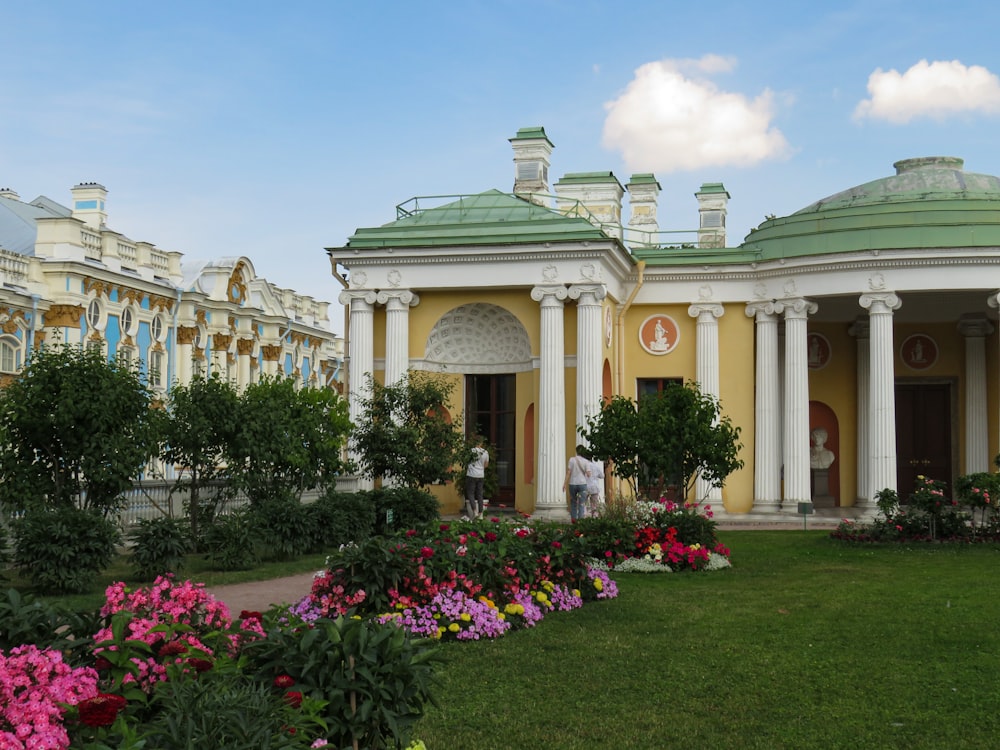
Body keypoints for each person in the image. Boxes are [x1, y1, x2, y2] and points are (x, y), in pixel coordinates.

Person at [562, 444, 590, 521]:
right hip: (582, 484)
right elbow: (588, 474)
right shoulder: (586, 462)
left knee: (573, 503)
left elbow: (568, 472)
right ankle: (580, 521)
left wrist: (564, 483)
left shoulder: (572, 460)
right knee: (581, 504)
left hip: (572, 484)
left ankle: (573, 520)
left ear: (576, 451)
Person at [464, 436, 489, 519]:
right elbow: (486, 465)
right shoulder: (485, 452)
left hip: (471, 474)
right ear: (481, 443)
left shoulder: (471, 451)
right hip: (480, 475)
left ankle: (474, 511)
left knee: (471, 493)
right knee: (480, 494)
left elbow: (466, 461)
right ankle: (481, 513)